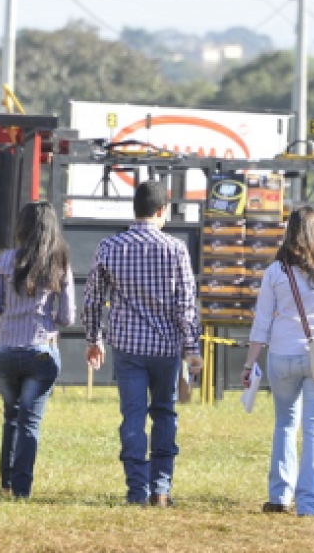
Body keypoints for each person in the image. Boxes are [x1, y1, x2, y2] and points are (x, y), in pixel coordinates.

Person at [83, 180, 204, 507]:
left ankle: (137, 490)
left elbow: (93, 300)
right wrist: (192, 350)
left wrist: (94, 339)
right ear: (162, 210)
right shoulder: (176, 249)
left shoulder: (110, 247)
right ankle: (161, 489)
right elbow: (186, 306)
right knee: (164, 414)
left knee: (133, 416)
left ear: (134, 209)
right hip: (166, 351)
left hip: (128, 349)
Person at [242, 206, 314, 518]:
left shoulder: (276, 271)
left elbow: (262, 323)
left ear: (289, 232)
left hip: (283, 355)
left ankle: (279, 496)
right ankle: (309, 504)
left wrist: (250, 363)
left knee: (285, 425)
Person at [0, 202, 74, 499]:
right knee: (30, 421)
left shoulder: (5, 260)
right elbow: (67, 317)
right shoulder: (60, 263)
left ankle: (5, 484)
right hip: (41, 351)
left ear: (22, 227)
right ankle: (21, 489)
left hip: (6, 351)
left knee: (11, 416)